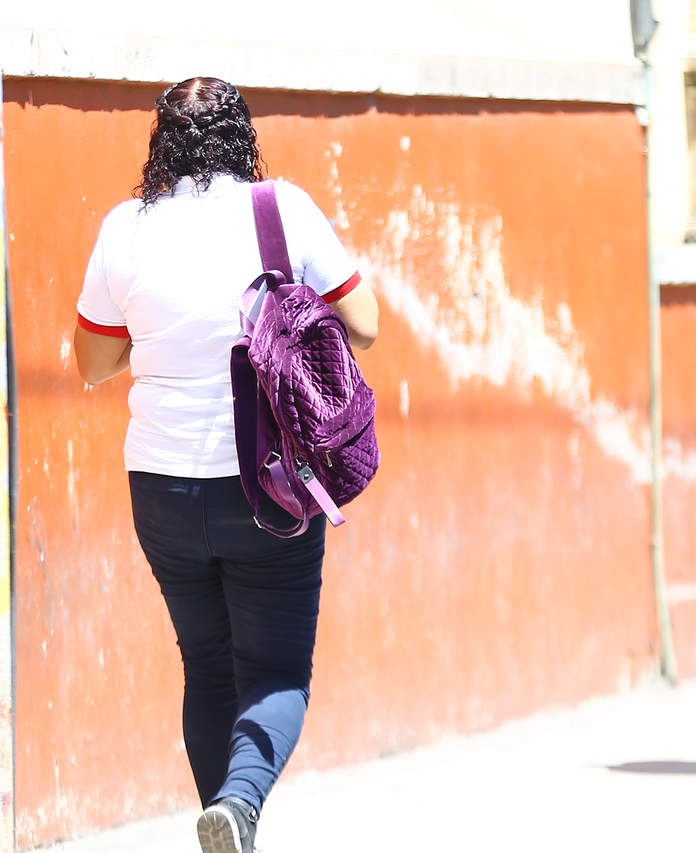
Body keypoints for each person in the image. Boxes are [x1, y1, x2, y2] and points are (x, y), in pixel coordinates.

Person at [73, 77, 379, 852]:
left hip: (162, 490)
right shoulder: (281, 211)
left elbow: (93, 362)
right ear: (243, 137)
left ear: (162, 144)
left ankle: (228, 823)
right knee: (275, 669)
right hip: (268, 489)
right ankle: (240, 805)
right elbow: (366, 322)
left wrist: (161, 332)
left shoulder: (124, 228)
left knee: (206, 666)